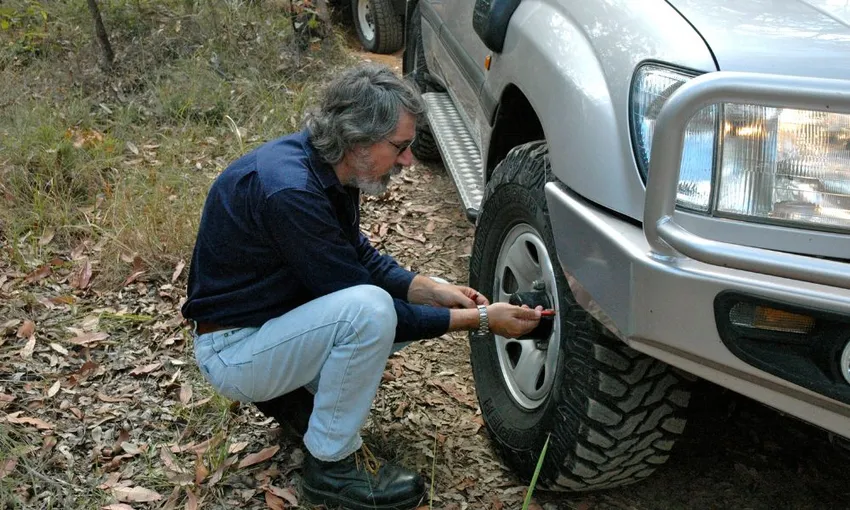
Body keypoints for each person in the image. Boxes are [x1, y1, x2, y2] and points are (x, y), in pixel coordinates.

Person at [181, 64, 544, 510]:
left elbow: (358, 256)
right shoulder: (291, 193)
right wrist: (480, 320)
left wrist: (428, 288)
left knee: (378, 311)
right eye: (400, 147)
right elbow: (366, 303)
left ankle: (296, 399)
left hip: (268, 325)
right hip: (234, 351)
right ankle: (330, 469)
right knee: (371, 314)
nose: (409, 160)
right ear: (358, 139)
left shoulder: (329, 168)